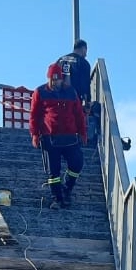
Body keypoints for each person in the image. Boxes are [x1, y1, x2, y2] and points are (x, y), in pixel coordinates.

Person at [30, 61, 87, 210]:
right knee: (53, 172)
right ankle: (57, 198)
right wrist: (35, 134)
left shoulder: (71, 92)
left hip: (70, 138)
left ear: (61, 79)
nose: (54, 82)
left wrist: (83, 132)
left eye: (57, 79)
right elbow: (34, 115)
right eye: (52, 79)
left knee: (77, 164)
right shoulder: (39, 92)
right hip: (49, 138)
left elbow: (79, 114)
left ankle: (67, 188)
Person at [59, 40, 99, 147]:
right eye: (86, 51)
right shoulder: (83, 63)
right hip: (74, 100)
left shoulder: (60, 60)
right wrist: (87, 101)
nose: (86, 54)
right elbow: (85, 84)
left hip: (57, 100)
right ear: (83, 49)